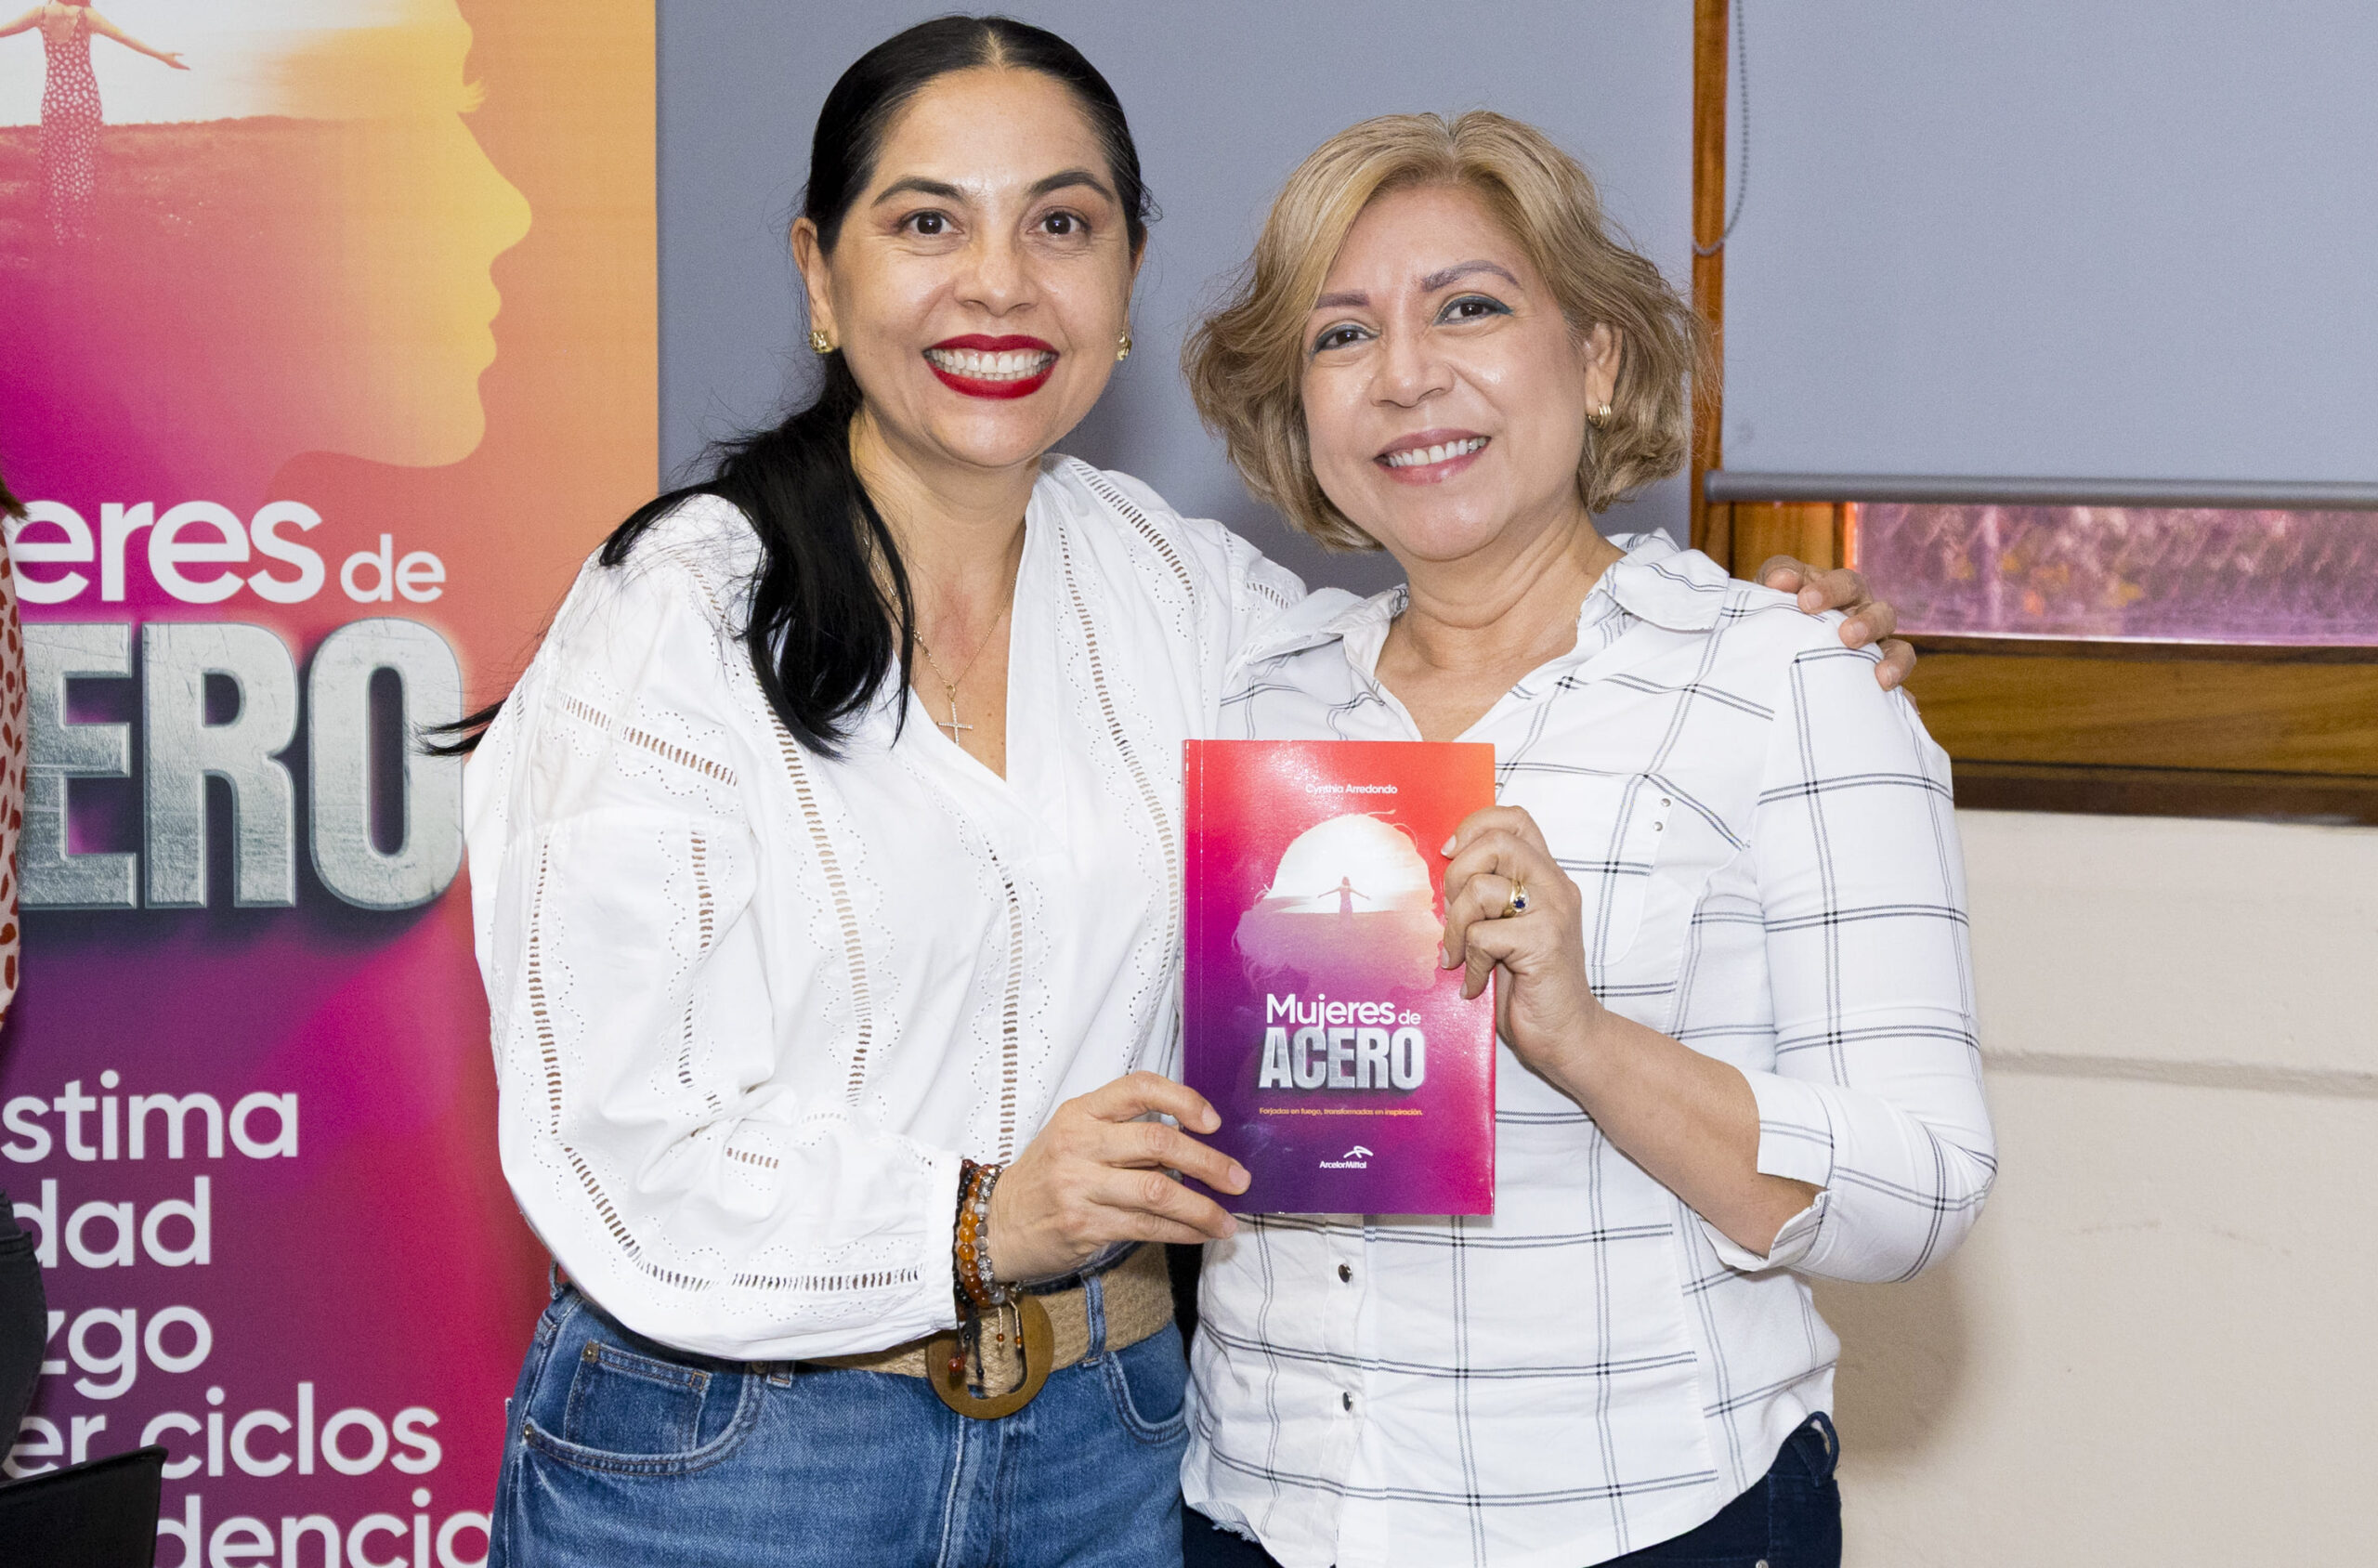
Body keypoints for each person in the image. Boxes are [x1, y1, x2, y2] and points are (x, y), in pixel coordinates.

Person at [455, 20, 1909, 1567]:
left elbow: (1467, 636)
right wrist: (979, 1219)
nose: (999, 283)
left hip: (1114, 1447)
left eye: (1061, 224)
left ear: (1127, 280)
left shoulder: (1192, 602)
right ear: (821, 276)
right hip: (740, 1465)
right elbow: (611, 1141)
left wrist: (1756, 629)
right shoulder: (676, 617)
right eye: (928, 222)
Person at [1180, 112, 1993, 1568]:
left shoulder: (1783, 681)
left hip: (1641, 1519)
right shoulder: (1251, 696)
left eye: (1469, 308)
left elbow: (1917, 1188)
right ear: (1300, 409)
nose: (1407, 374)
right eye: (1343, 334)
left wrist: (1585, 1038)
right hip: (1267, 1514)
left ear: (1599, 358)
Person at [0, 1, 187, 246]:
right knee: (82, 166)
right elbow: (124, 38)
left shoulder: (41, 13)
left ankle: (60, 233)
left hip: (55, 102)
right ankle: (80, 232)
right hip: (84, 100)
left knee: (58, 169)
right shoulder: (86, 15)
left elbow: (3, 30)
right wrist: (162, 56)